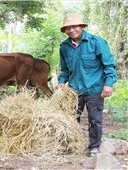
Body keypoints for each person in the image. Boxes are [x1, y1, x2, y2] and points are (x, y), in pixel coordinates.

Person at [58, 13, 118, 155]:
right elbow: (65, 70)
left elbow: (109, 65)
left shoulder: (96, 42)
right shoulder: (64, 47)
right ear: (65, 30)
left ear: (82, 26)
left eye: (75, 26)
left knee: (95, 120)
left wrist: (108, 84)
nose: (72, 30)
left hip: (94, 89)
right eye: (68, 28)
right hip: (74, 91)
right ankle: (72, 146)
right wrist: (61, 82)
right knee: (71, 119)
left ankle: (94, 147)